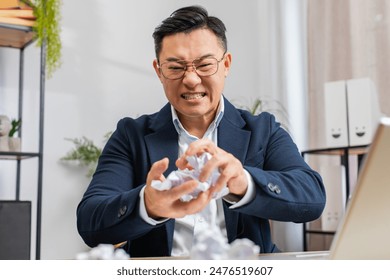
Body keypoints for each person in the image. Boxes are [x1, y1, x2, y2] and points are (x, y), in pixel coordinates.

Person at [77, 5, 326, 258]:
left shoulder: (263, 129)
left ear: (226, 64)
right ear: (159, 71)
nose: (191, 79)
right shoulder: (131, 135)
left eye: (205, 65)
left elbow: (312, 198)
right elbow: (90, 222)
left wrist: (243, 182)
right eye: (175, 67)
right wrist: (148, 204)